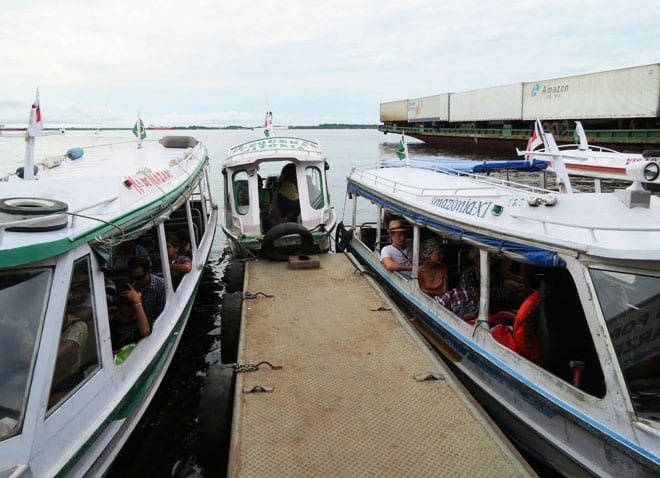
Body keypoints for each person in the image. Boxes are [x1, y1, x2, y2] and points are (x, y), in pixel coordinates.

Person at [123, 256, 166, 325]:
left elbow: (162, 314)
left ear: (149, 272)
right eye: (132, 277)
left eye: (139, 277)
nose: (135, 281)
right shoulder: (127, 285)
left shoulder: (161, 286)